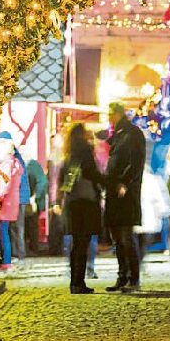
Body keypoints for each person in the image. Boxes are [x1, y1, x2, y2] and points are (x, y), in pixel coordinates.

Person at [56, 122, 106, 294]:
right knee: (82, 244)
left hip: (72, 202)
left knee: (76, 245)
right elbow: (92, 174)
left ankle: (74, 282)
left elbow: (61, 181)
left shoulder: (69, 155)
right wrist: (108, 182)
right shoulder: (85, 153)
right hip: (85, 202)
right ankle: (79, 282)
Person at [104, 102, 145, 293]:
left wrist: (124, 183)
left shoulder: (132, 133)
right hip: (114, 191)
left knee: (126, 237)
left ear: (119, 114)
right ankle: (122, 276)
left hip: (124, 193)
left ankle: (133, 278)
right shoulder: (119, 134)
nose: (109, 118)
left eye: (111, 114)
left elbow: (135, 162)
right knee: (118, 239)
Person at [0, 136, 24, 273]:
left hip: (5, 202)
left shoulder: (6, 163)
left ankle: (5, 261)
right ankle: (6, 260)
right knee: (5, 231)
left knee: (2, 231)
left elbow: (4, 183)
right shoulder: (15, 162)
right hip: (12, 202)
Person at [24, 152, 48, 255]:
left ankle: (32, 249)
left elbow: (42, 183)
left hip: (32, 202)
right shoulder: (34, 166)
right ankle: (32, 248)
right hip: (33, 201)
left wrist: (34, 197)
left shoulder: (31, 166)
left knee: (30, 225)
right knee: (32, 225)